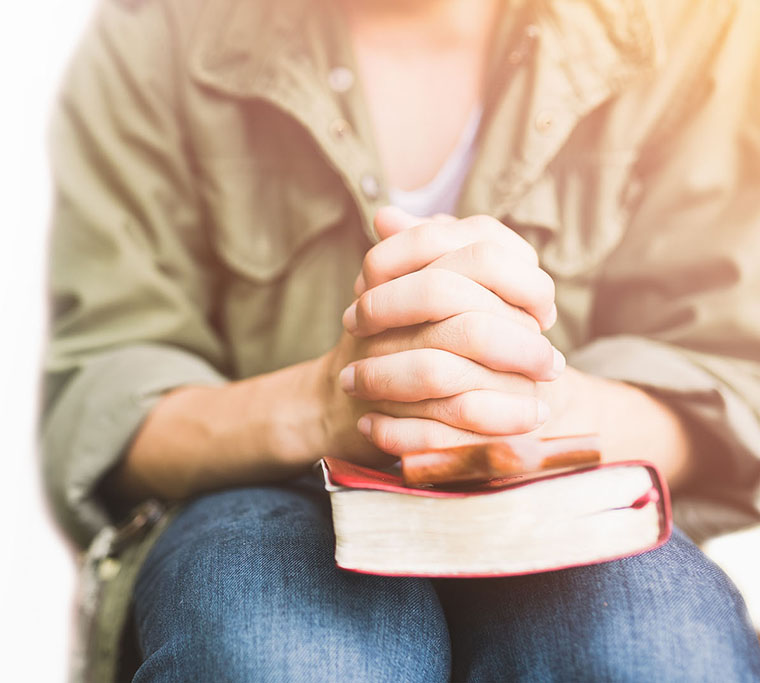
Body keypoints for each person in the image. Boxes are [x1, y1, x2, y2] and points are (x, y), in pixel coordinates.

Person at [41, 0, 760, 679]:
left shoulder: (699, 30)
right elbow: (107, 397)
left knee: (651, 644)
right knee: (270, 643)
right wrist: (328, 403)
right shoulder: (160, 34)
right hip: (264, 491)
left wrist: (526, 405)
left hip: (570, 498)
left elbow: (731, 376)